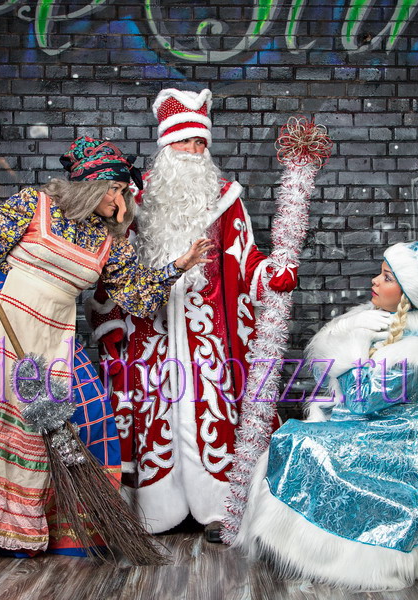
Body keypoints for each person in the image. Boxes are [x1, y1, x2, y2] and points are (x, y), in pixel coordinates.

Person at [0, 136, 212, 563]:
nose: (121, 200)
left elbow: (136, 295)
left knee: (89, 418)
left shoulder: (109, 240)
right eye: (115, 189)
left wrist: (178, 266)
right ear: (90, 187)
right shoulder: (35, 204)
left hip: (56, 334)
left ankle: (54, 525)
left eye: (124, 191)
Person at [233, 239, 418, 590]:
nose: (375, 280)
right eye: (380, 273)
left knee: (302, 442)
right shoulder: (375, 319)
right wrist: (344, 333)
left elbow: (362, 401)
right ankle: (305, 546)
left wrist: (350, 346)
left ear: (407, 294)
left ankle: (334, 553)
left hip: (393, 442)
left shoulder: (415, 347)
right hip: (362, 429)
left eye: (387, 277)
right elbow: (326, 374)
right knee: (292, 438)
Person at [87, 88, 297, 542]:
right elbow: (112, 264)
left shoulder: (226, 199)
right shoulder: (133, 200)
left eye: (201, 142)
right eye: (185, 141)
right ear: (166, 145)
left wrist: (271, 275)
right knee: (150, 414)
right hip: (148, 333)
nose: (194, 151)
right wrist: (108, 315)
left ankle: (219, 508)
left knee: (212, 411)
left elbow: (245, 259)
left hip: (210, 337)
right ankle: (151, 510)